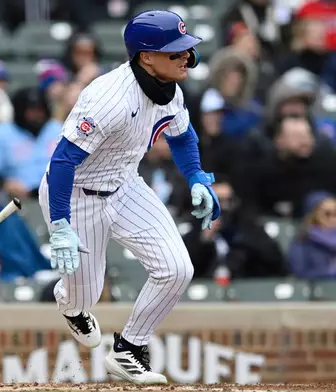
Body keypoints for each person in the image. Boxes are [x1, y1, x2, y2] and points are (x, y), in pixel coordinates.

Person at [38, 11, 220, 384]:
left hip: (125, 184)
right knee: (84, 296)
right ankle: (70, 304)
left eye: (186, 49)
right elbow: (61, 162)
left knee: (177, 269)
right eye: (175, 52)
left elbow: (182, 136)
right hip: (76, 194)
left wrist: (197, 177)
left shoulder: (170, 88)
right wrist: (60, 224)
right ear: (145, 57)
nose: (185, 57)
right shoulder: (109, 98)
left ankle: (129, 348)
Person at [287, 191, 336, 279]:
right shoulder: (302, 244)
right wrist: (330, 271)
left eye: (335, 213)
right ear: (314, 215)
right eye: (327, 214)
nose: (333, 219)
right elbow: (300, 275)